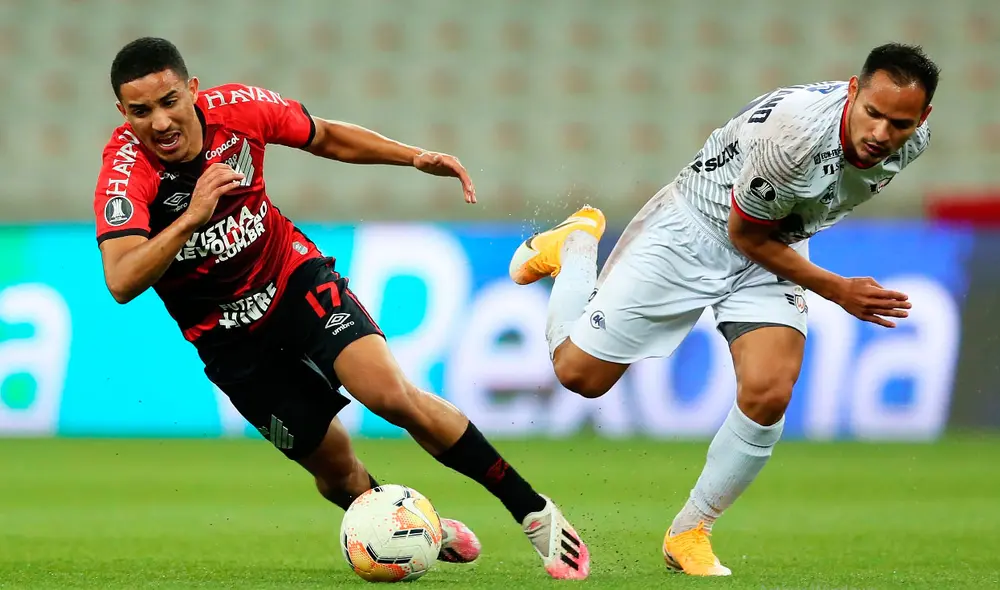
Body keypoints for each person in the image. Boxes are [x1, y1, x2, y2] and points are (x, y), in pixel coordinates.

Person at [94, 37, 589, 580]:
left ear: (193, 90)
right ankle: (414, 526)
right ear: (123, 113)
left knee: (390, 395)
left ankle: (533, 511)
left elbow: (324, 136)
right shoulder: (124, 170)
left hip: (291, 279)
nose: (160, 121)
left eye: (169, 101)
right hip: (227, 338)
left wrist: (413, 157)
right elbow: (121, 279)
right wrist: (191, 217)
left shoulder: (241, 110)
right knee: (335, 470)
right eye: (141, 111)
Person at [509, 42, 938, 576]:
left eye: (898, 123)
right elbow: (744, 234)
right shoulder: (796, 139)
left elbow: (769, 233)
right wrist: (837, 289)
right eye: (872, 113)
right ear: (853, 91)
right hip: (697, 230)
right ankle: (574, 246)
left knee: (769, 389)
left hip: (775, 241)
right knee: (580, 376)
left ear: (922, 118)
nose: (880, 134)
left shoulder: (912, 141)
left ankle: (691, 530)